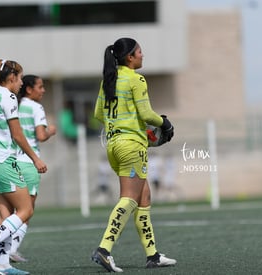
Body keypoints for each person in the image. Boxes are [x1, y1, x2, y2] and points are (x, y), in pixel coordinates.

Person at [91, 37, 177, 272]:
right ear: (130, 57)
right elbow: (147, 114)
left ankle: (153, 256)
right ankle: (104, 249)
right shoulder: (136, 79)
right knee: (129, 198)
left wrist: (124, 123)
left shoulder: (108, 80)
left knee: (143, 197)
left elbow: (99, 113)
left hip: (113, 146)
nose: (142, 55)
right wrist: (166, 123)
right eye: (139, 52)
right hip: (131, 146)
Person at [0, 59, 47, 275]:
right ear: (12, 77)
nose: (21, 84)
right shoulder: (8, 96)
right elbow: (17, 135)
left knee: (6, 213)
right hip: (1, 160)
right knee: (26, 210)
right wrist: (35, 158)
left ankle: (4, 265)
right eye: (20, 78)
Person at [9, 74, 57, 262]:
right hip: (28, 162)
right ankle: (10, 248)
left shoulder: (15, 105)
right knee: (26, 209)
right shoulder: (36, 107)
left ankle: (3, 247)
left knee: (11, 210)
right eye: (40, 86)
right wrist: (50, 131)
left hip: (11, 161)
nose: (43, 90)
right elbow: (41, 135)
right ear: (29, 89)